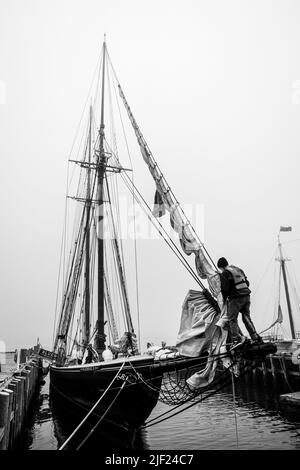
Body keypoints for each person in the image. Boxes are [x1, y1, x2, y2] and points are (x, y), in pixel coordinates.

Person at [217, 257, 263, 349]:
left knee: (232, 319)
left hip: (235, 298)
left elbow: (225, 289)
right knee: (246, 317)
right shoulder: (238, 270)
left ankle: (235, 340)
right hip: (246, 296)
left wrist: (224, 299)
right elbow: (247, 283)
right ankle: (255, 337)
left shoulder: (225, 273)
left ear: (221, 267)